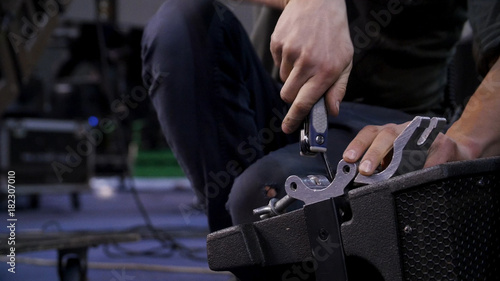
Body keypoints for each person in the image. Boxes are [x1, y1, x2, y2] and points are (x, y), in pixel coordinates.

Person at [141, 0, 500, 232]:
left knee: (261, 200)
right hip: (276, 106)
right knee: (178, 24)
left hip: (385, 128)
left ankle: (254, 242)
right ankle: (240, 249)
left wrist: (462, 145)